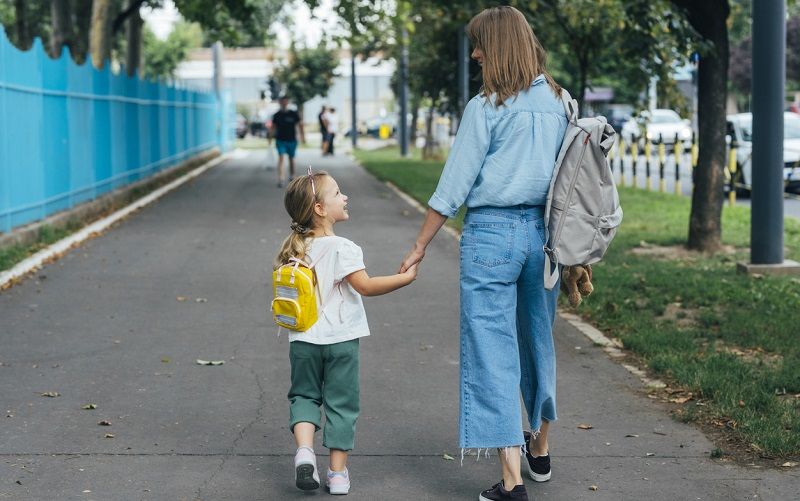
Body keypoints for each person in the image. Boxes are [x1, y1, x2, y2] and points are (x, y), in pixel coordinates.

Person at [398, 6, 567, 501]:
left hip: (492, 235)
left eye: (479, 44)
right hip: (544, 237)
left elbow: (454, 185)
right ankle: (541, 449)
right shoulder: (560, 101)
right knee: (538, 340)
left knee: (492, 351)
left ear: (499, 47)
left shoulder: (486, 107)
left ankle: (512, 482)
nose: (474, 53)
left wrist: (420, 245)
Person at [275, 168, 418, 495]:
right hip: (341, 342)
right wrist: (405, 279)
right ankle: (337, 475)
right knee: (342, 403)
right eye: (338, 193)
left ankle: (304, 452)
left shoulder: (294, 249)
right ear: (321, 209)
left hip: (303, 340)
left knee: (304, 395)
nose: (345, 196)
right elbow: (365, 287)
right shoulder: (343, 247)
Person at [271, 96, 304, 188]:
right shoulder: (276, 115)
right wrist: (270, 137)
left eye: (286, 101)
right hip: (280, 139)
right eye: (282, 102)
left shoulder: (293, 114)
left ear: (288, 102)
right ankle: (281, 178)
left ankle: (292, 175)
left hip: (292, 139)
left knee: (291, 158)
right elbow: (273, 127)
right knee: (281, 157)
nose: (284, 103)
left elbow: (300, 124)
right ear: (280, 103)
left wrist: (302, 136)